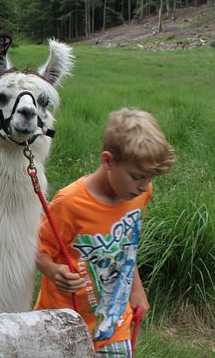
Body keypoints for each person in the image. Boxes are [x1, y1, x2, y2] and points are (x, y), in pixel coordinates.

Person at [34, 108, 176, 357]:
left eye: (150, 178)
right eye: (137, 177)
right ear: (108, 161)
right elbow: (34, 247)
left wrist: (136, 290)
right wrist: (53, 271)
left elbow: (127, 247)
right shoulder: (70, 203)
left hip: (114, 325)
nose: (144, 186)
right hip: (62, 324)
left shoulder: (140, 195)